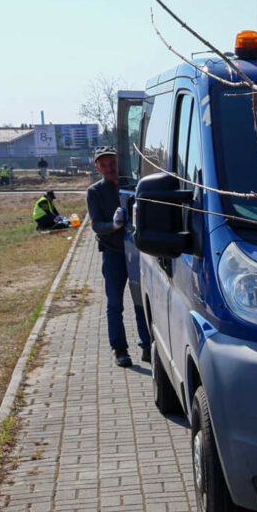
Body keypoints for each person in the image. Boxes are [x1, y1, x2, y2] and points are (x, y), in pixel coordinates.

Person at [86, 146, 149, 368]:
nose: (109, 168)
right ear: (98, 168)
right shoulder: (95, 192)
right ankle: (120, 349)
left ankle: (147, 346)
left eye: (112, 162)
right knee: (115, 305)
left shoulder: (133, 186)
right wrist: (113, 226)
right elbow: (96, 224)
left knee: (141, 303)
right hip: (113, 254)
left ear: (119, 162)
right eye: (104, 165)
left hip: (136, 254)